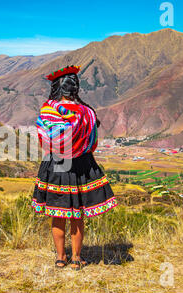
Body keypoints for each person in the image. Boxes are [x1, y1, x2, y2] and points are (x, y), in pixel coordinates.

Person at [32, 65, 117, 270]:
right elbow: (92, 142)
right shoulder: (87, 112)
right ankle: (77, 258)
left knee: (58, 214)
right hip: (82, 166)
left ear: (56, 88)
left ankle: (61, 258)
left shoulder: (48, 111)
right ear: (75, 89)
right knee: (77, 215)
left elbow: (44, 140)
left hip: (57, 165)